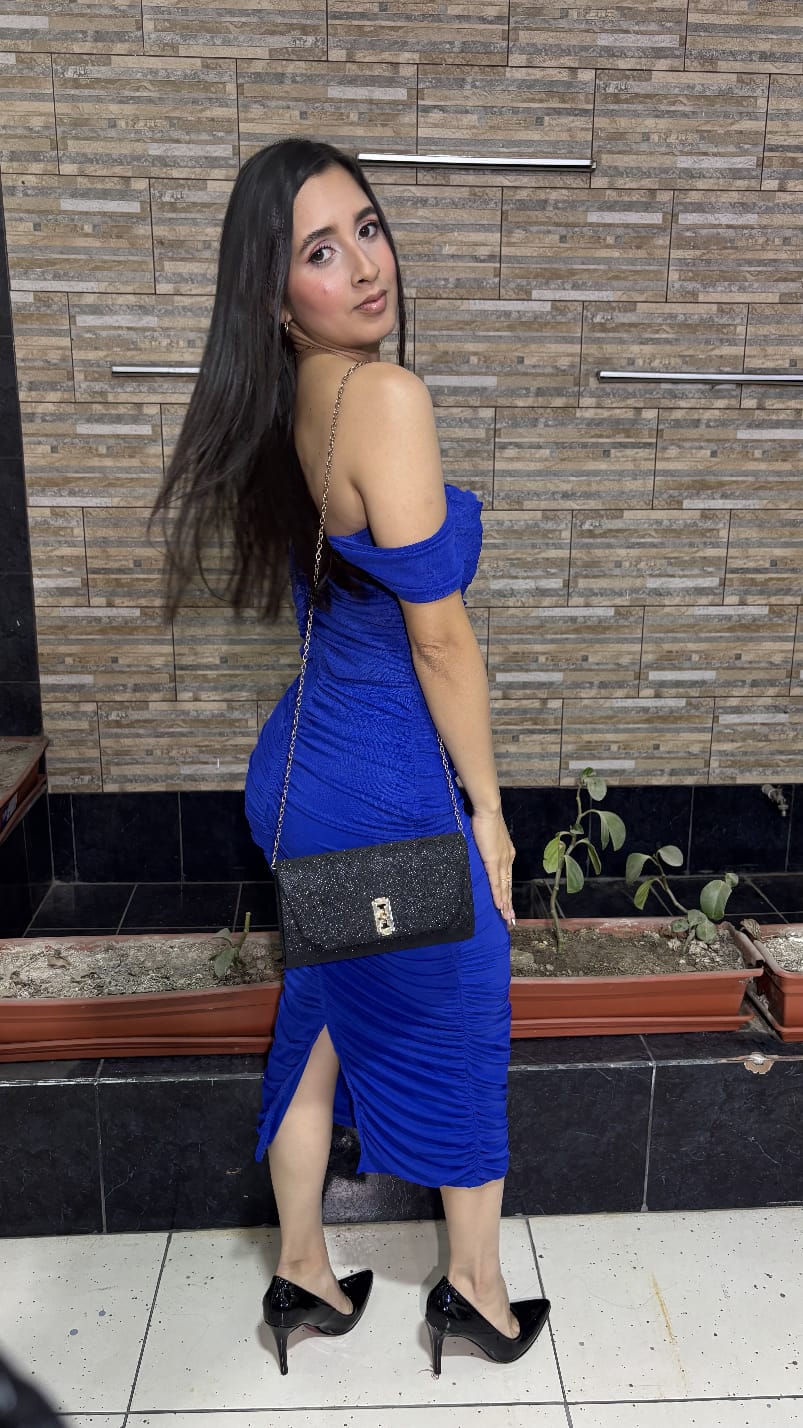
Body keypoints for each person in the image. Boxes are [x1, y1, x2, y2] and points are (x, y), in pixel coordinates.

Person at [149, 137, 550, 1377]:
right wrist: (488, 811)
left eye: (367, 229)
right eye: (320, 252)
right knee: (465, 1005)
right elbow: (438, 640)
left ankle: (303, 1274)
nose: (365, 265)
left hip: (305, 774)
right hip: (383, 789)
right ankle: (474, 1296)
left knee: (322, 1012)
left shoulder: (290, 399)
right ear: (276, 296)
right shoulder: (383, 397)